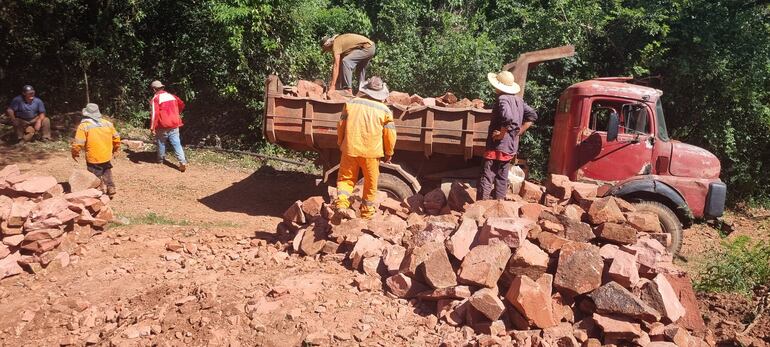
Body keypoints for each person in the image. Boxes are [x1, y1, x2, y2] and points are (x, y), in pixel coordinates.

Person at [335, 76, 397, 219]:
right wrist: (389, 152)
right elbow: (390, 134)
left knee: (345, 179)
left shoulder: (350, 104)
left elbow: (340, 126)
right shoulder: (385, 110)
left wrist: (341, 143)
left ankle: (342, 204)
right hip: (371, 154)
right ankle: (367, 214)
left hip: (350, 149)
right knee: (370, 183)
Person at [477, 70, 538, 201]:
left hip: (496, 146)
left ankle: (481, 206)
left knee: (488, 175)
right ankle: (499, 204)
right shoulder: (519, 101)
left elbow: (508, 118)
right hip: (510, 146)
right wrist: (519, 131)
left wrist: (501, 134)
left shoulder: (502, 99)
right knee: (502, 177)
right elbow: (532, 116)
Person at [71, 103, 121, 197]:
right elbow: (116, 137)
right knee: (106, 170)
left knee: (94, 174)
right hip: (106, 154)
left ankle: (99, 189)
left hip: (93, 156)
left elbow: (78, 143)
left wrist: (75, 153)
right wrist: (116, 149)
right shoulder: (107, 123)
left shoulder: (84, 126)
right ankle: (111, 187)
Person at [149, 80, 188, 172]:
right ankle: (182, 161)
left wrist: (152, 127)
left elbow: (155, 113)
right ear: (162, 87)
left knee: (161, 142)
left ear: (154, 89)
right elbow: (182, 104)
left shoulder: (156, 98)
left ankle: (160, 160)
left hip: (162, 124)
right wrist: (177, 112)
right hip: (174, 123)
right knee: (176, 143)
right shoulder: (172, 96)